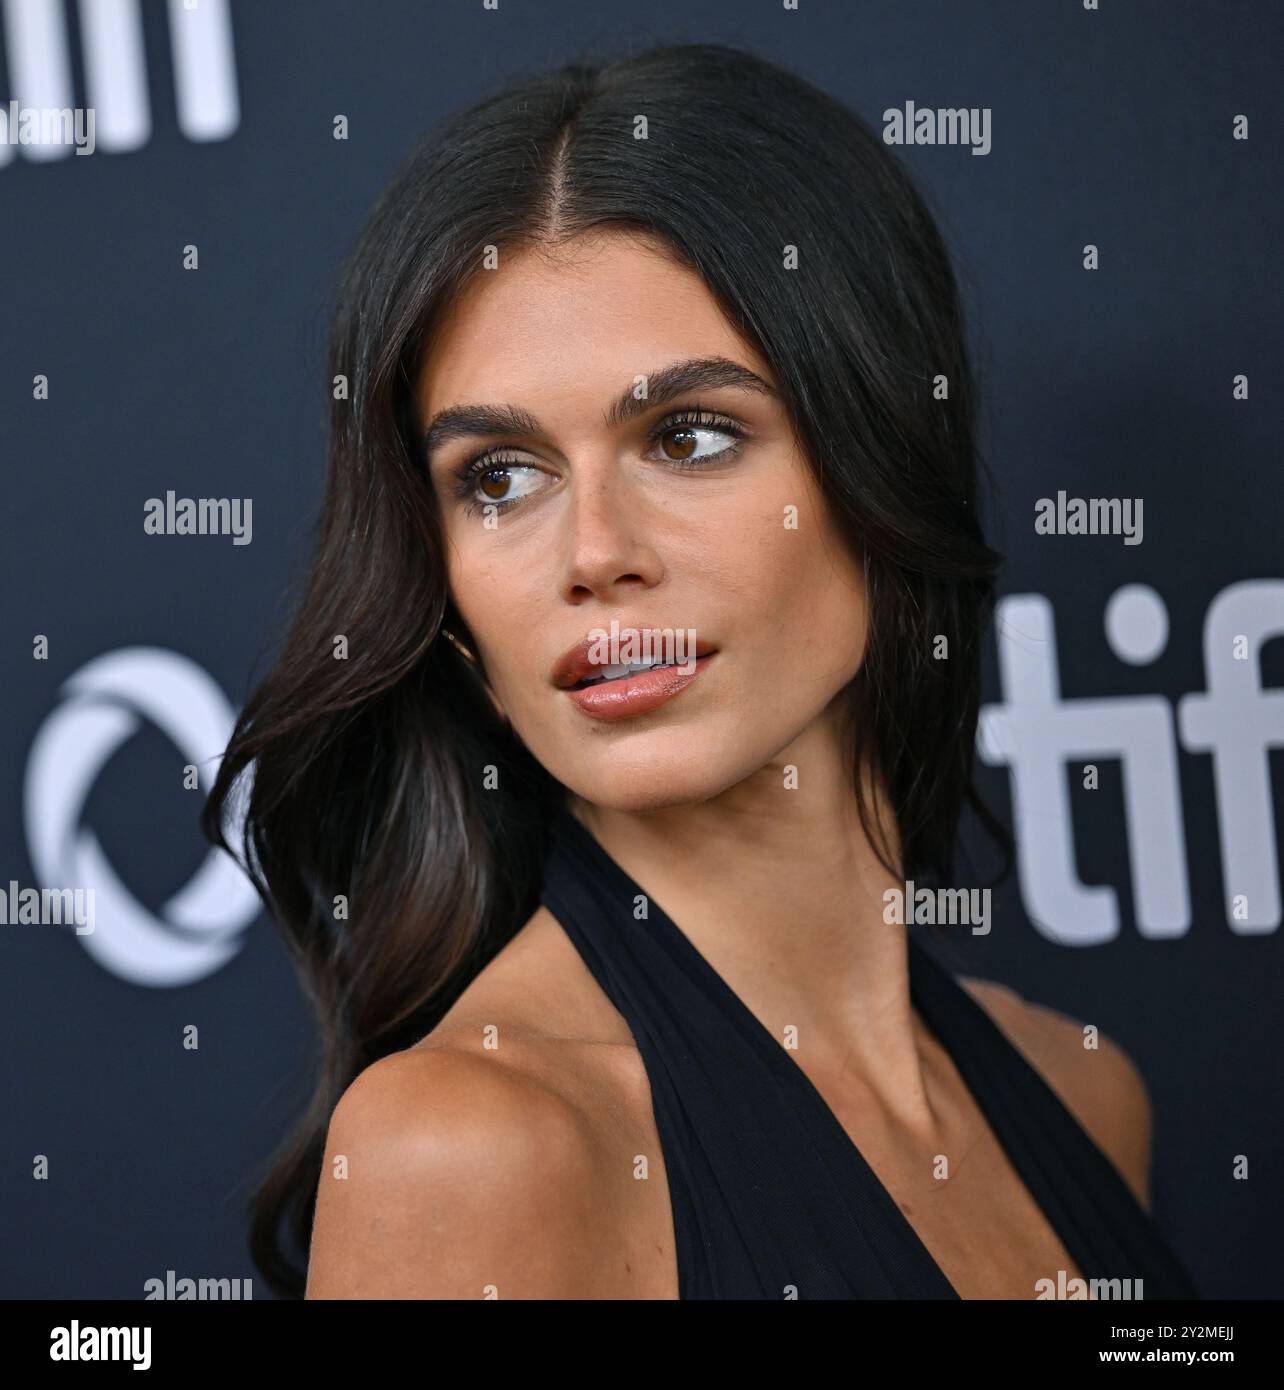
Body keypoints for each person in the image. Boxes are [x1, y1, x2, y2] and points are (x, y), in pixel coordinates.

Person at [203, 42, 1198, 1300]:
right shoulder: (466, 1147)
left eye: (689, 435)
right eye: (498, 477)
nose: (596, 555)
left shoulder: (1085, 1090)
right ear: (444, 597)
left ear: (879, 461)